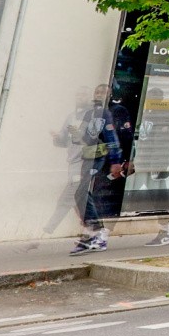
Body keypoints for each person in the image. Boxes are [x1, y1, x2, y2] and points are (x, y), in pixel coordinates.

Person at [55, 85, 123, 254]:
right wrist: (62, 139)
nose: (99, 95)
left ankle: (96, 232)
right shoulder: (88, 113)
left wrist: (115, 160)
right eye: (97, 92)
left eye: (103, 93)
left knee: (80, 191)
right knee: (81, 192)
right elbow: (81, 139)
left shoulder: (107, 113)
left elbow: (112, 137)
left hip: (96, 159)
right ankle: (92, 231)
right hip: (83, 159)